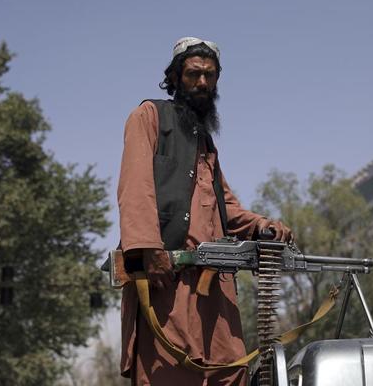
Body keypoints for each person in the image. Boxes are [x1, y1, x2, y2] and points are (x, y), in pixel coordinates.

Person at [117, 37, 292, 386]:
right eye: (194, 74)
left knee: (229, 371)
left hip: (215, 289)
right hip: (167, 280)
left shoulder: (204, 141)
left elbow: (223, 203)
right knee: (171, 372)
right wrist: (149, 251)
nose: (202, 83)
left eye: (210, 76)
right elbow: (135, 188)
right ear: (175, 76)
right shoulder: (150, 117)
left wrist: (262, 226)